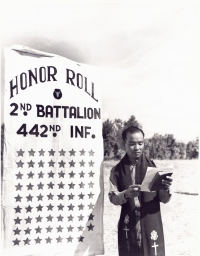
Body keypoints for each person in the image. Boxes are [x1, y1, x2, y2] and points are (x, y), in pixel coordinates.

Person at [109, 126, 173, 256]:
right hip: (129, 223)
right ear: (123, 144)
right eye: (132, 144)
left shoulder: (153, 168)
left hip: (150, 220)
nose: (137, 148)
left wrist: (165, 188)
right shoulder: (116, 171)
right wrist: (125, 194)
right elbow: (113, 197)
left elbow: (164, 199)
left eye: (140, 143)